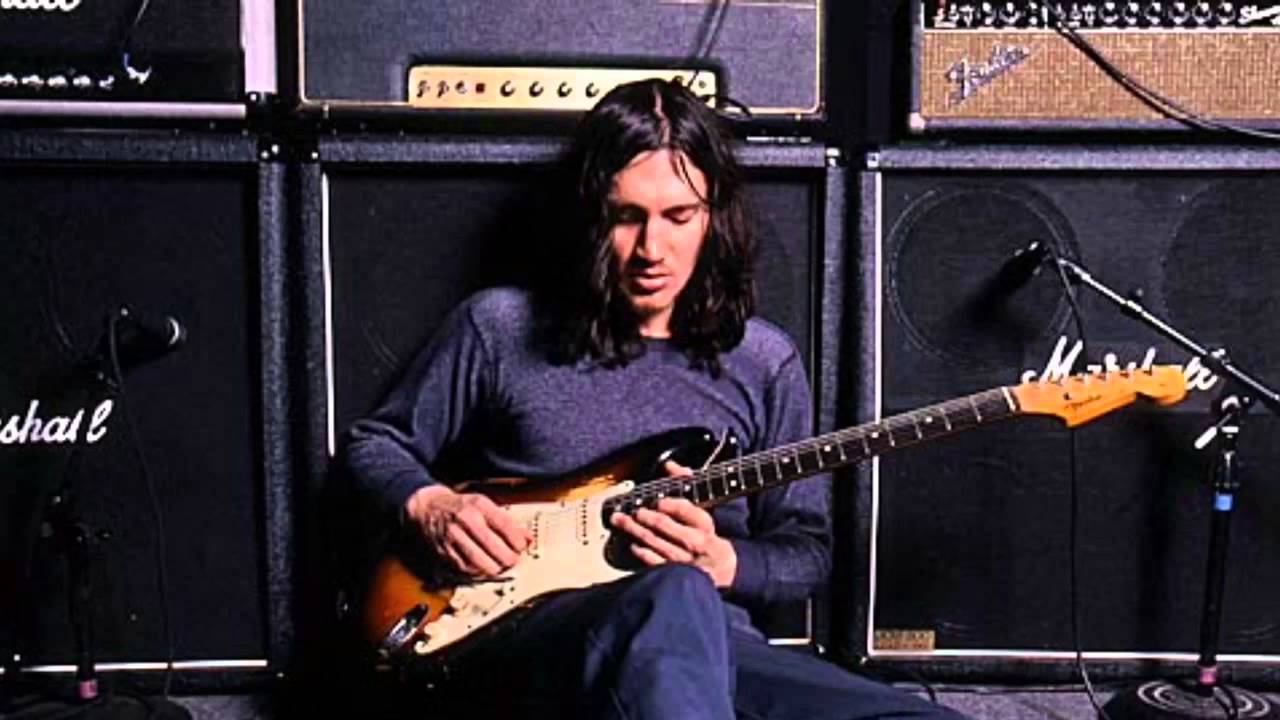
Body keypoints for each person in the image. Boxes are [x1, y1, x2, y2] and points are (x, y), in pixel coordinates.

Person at [341, 78, 965, 719]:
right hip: (538, 641)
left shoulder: (763, 360)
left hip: (715, 653)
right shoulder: (497, 327)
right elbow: (373, 444)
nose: (652, 250)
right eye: (626, 217)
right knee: (671, 594)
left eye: (679, 216)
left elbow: (805, 551)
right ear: (591, 216)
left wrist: (723, 560)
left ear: (714, 215)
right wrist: (433, 505)